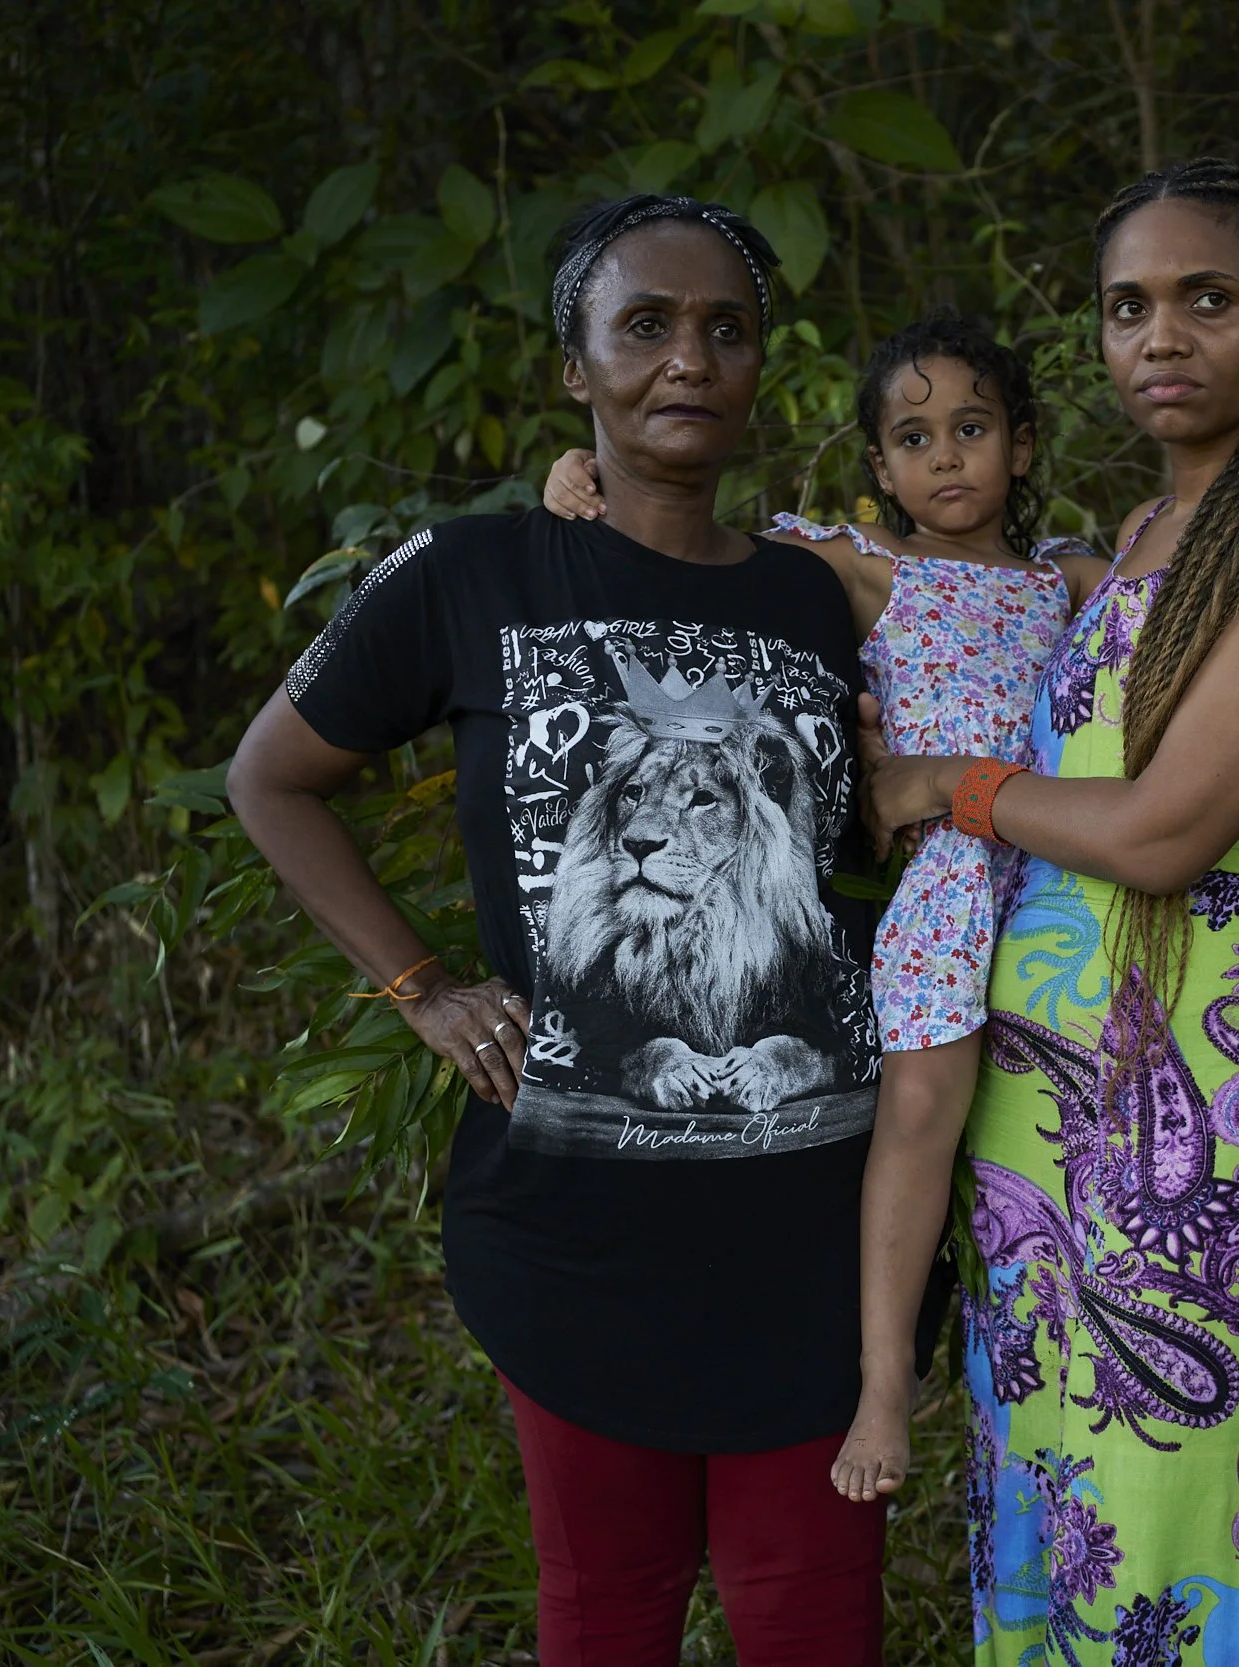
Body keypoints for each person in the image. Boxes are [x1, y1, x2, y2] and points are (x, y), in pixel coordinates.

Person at [226, 194, 888, 1667]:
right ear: (571, 370)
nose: (688, 360)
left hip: (816, 1225)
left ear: (761, 366)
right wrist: (419, 985)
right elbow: (269, 777)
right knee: (606, 1612)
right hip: (576, 1226)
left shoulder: (816, 595)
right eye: (644, 326)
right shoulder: (470, 572)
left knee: (816, 1619)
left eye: (726, 330)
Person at [860, 159, 1239, 1665]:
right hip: (1032, 1130)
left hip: (1192, 1137)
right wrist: (580, 493)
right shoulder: (1129, 541)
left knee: (1183, 1525)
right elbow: (881, 573)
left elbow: (1163, 835)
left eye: (1206, 299)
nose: (1161, 335)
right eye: (1127, 308)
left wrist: (944, 787)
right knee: (1060, 1506)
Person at [541, 315, 1108, 1505]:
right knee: (918, 1113)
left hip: (1072, 871)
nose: (945, 458)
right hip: (951, 877)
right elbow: (696, 534)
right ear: (877, 467)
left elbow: (1181, 608)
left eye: (971, 428)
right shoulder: (867, 569)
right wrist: (580, 472)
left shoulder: (1069, 577)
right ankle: (884, 1378)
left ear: (1022, 441)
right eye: (913, 438)